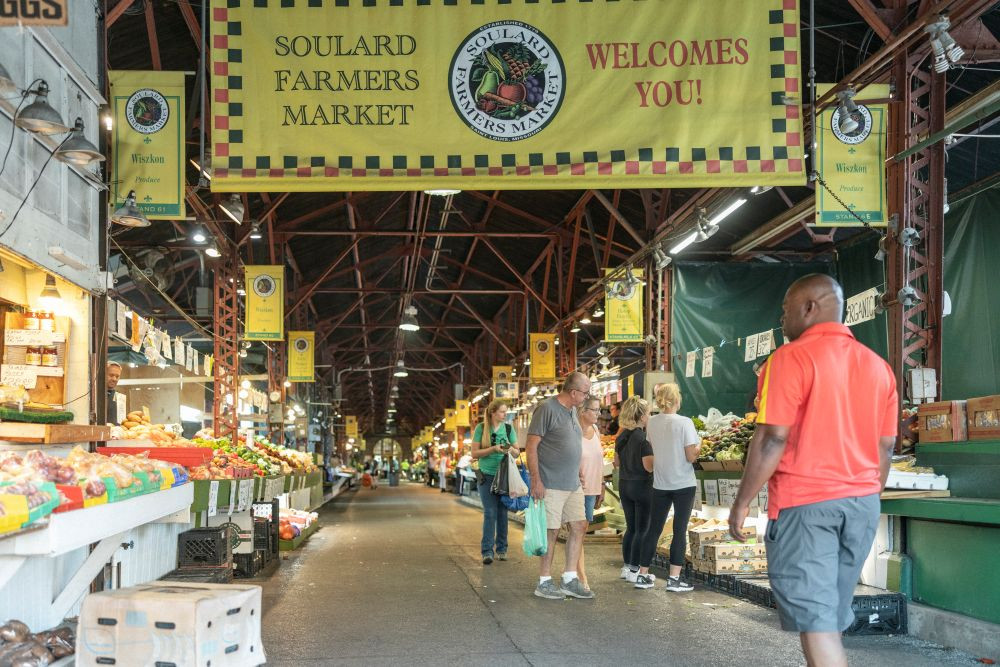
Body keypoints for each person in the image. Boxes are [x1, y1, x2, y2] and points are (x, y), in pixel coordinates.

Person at [729, 274, 898, 667]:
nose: (783, 319)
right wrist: (866, 495)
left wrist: (742, 502)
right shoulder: (878, 367)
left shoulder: (789, 359)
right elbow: (886, 447)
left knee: (818, 621)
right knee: (828, 617)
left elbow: (773, 437)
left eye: (785, 311)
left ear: (808, 308)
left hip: (806, 506)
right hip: (861, 506)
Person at [526, 371, 593, 600]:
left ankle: (569, 578)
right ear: (573, 392)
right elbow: (531, 446)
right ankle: (544, 581)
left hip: (572, 483)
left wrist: (578, 471)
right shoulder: (547, 409)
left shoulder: (573, 410)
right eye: (585, 393)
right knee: (551, 531)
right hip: (551, 483)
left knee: (579, 526)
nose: (587, 397)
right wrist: (536, 480)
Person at [635, 383, 699, 591]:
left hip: (660, 483)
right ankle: (673, 579)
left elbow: (655, 447)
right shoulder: (685, 423)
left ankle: (642, 574)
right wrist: (699, 446)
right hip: (683, 483)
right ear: (677, 399)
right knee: (679, 530)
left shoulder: (652, 422)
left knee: (654, 528)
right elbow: (691, 456)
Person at [471, 399, 519, 564]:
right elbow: (474, 453)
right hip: (486, 476)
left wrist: (509, 449)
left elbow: (517, 452)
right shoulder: (481, 428)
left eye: (506, 412)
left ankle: (502, 548)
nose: (505, 415)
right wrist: (493, 449)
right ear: (493, 413)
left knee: (502, 512)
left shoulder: (508, 428)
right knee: (490, 513)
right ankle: (487, 551)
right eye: (502, 412)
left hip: (505, 475)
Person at [615, 396, 654, 584]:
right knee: (642, 529)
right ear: (641, 417)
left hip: (624, 484)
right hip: (642, 486)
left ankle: (626, 566)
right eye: (649, 414)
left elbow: (616, 462)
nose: (650, 417)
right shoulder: (643, 438)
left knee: (630, 528)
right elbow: (649, 467)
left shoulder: (621, 436)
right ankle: (635, 569)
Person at [576, 395, 605, 592]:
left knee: (582, 531)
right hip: (575, 489)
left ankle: (573, 572)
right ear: (583, 411)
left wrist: (601, 485)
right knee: (578, 532)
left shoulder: (595, 430)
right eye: (595, 410)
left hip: (592, 489)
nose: (598, 414)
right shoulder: (573, 432)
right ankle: (580, 576)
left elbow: (598, 460)